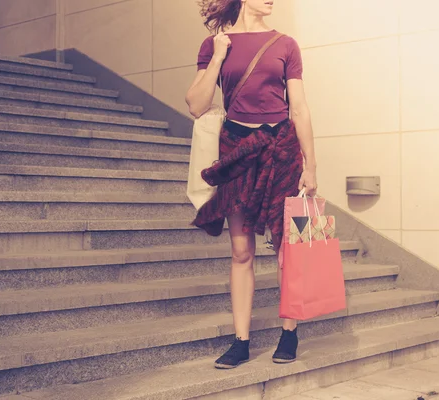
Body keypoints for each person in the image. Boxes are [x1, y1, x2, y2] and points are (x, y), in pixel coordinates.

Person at [185, 0, 318, 369]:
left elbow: (300, 108)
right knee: (241, 251)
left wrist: (312, 165)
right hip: (238, 151)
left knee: (286, 249)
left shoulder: (286, 44)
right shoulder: (215, 44)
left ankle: (288, 333)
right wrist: (218, 56)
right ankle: (241, 341)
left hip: (281, 151)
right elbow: (196, 105)